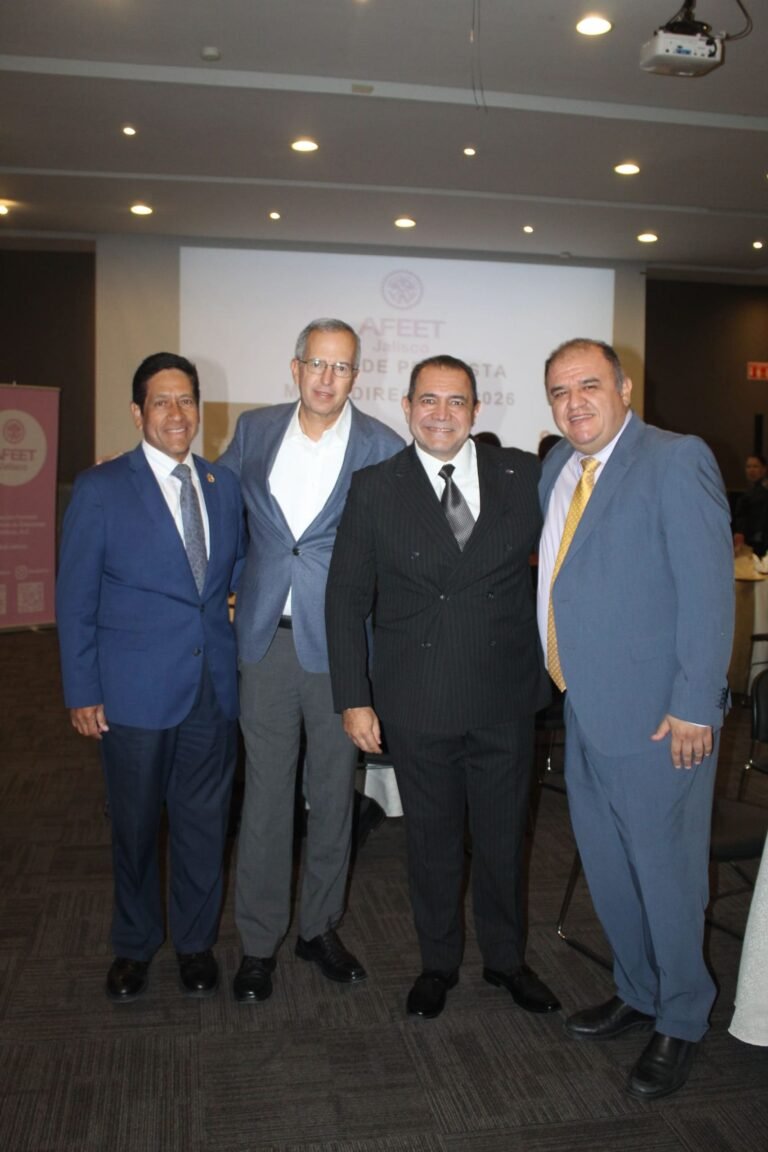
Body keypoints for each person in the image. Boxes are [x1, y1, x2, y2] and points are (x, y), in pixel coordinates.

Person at [326, 353, 560, 1020]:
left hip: (503, 695)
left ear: (476, 411)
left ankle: (506, 961)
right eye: (427, 400)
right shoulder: (376, 486)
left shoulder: (523, 474)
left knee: (502, 840)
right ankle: (437, 964)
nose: (441, 413)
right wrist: (353, 696)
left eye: (456, 401)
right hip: (418, 696)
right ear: (406, 408)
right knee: (430, 843)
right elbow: (345, 598)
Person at [538, 338, 733, 1100]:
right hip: (585, 708)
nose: (575, 402)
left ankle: (682, 1015)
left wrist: (694, 703)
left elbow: (708, 590)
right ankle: (639, 989)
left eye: (589, 385)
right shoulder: (558, 468)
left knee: (666, 874)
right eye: (560, 391)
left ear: (624, 388)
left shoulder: (675, 460)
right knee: (610, 868)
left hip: (660, 720)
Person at [218, 318, 404, 1002]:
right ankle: (259, 942)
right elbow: (223, 511)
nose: (328, 378)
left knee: (331, 795)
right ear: (295, 368)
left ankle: (319, 928)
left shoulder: (383, 446)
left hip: (341, 650)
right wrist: (233, 582)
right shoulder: (255, 430)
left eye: (342, 367)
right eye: (317, 364)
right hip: (265, 641)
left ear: (357, 375)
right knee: (267, 797)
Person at [56, 352, 246, 1002]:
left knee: (204, 824)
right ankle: (135, 944)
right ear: (138, 413)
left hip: (211, 690)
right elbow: (75, 598)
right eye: (161, 401)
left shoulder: (222, 486)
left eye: (186, 400)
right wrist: (82, 690)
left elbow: (233, 572)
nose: (176, 413)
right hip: (132, 694)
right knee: (135, 827)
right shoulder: (101, 488)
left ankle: (195, 944)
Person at [732, 453, 768, 555]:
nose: (751, 470)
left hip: (760, 542)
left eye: (755, 466)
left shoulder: (764, 491)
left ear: (764, 469)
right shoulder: (750, 491)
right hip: (750, 540)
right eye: (748, 467)